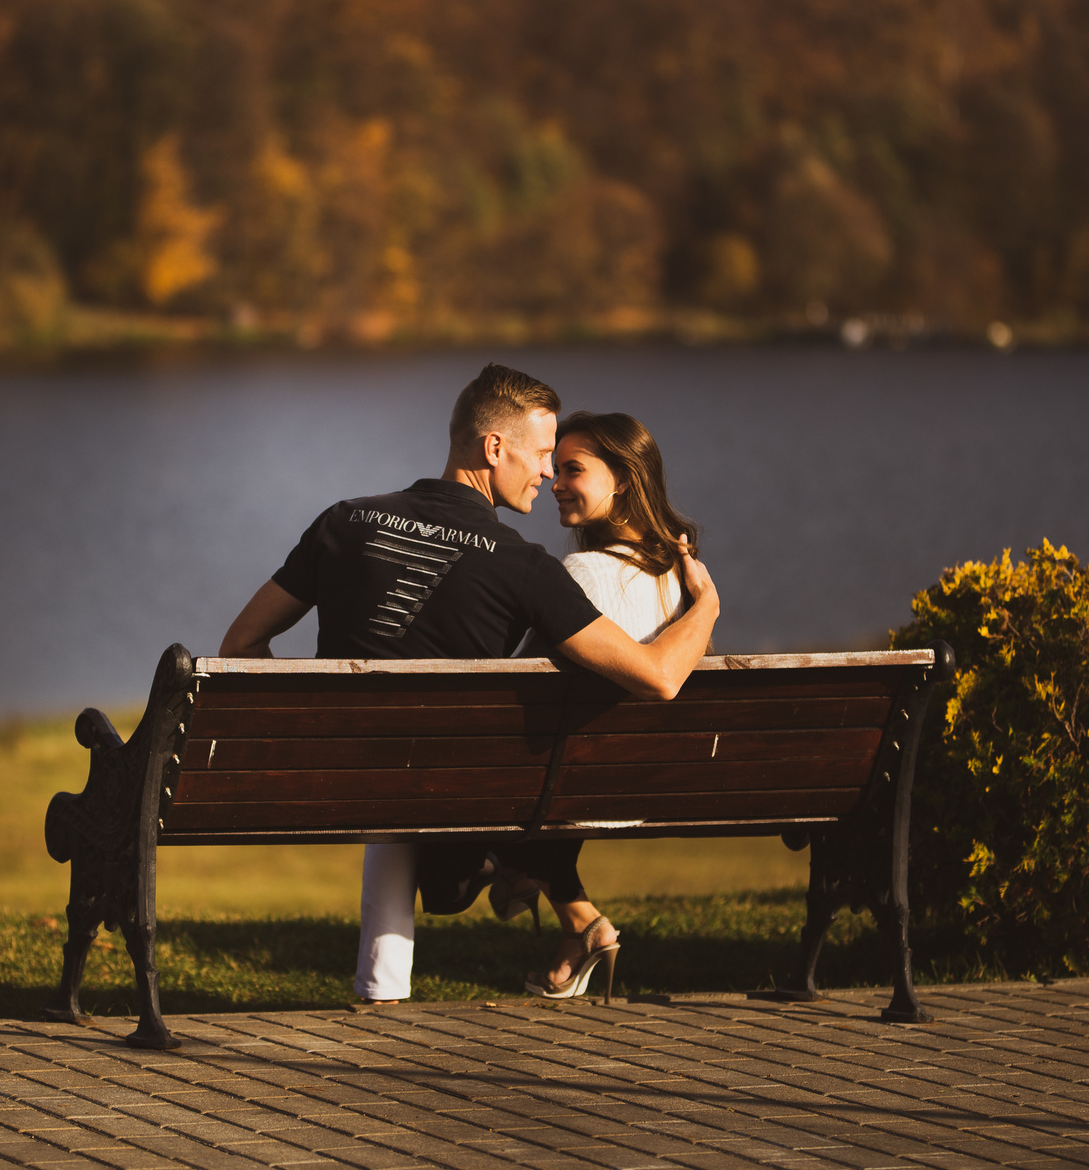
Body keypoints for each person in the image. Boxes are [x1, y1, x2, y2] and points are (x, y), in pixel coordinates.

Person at [217, 363, 719, 1005]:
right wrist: (704, 605)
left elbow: (240, 645)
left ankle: (392, 982)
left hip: (334, 774)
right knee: (431, 792)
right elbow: (656, 676)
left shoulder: (342, 520)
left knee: (396, 772)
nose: (545, 472)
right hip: (441, 790)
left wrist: (309, 727)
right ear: (494, 449)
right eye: (542, 455)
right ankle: (510, 878)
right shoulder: (526, 568)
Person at [513, 408, 705, 996]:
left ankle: (524, 881)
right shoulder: (685, 578)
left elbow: (510, 687)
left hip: (566, 784)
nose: (555, 482)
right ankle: (553, 905)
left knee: (486, 796)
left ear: (622, 479)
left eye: (573, 470)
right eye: (555, 468)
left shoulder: (577, 574)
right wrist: (710, 606)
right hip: (647, 778)